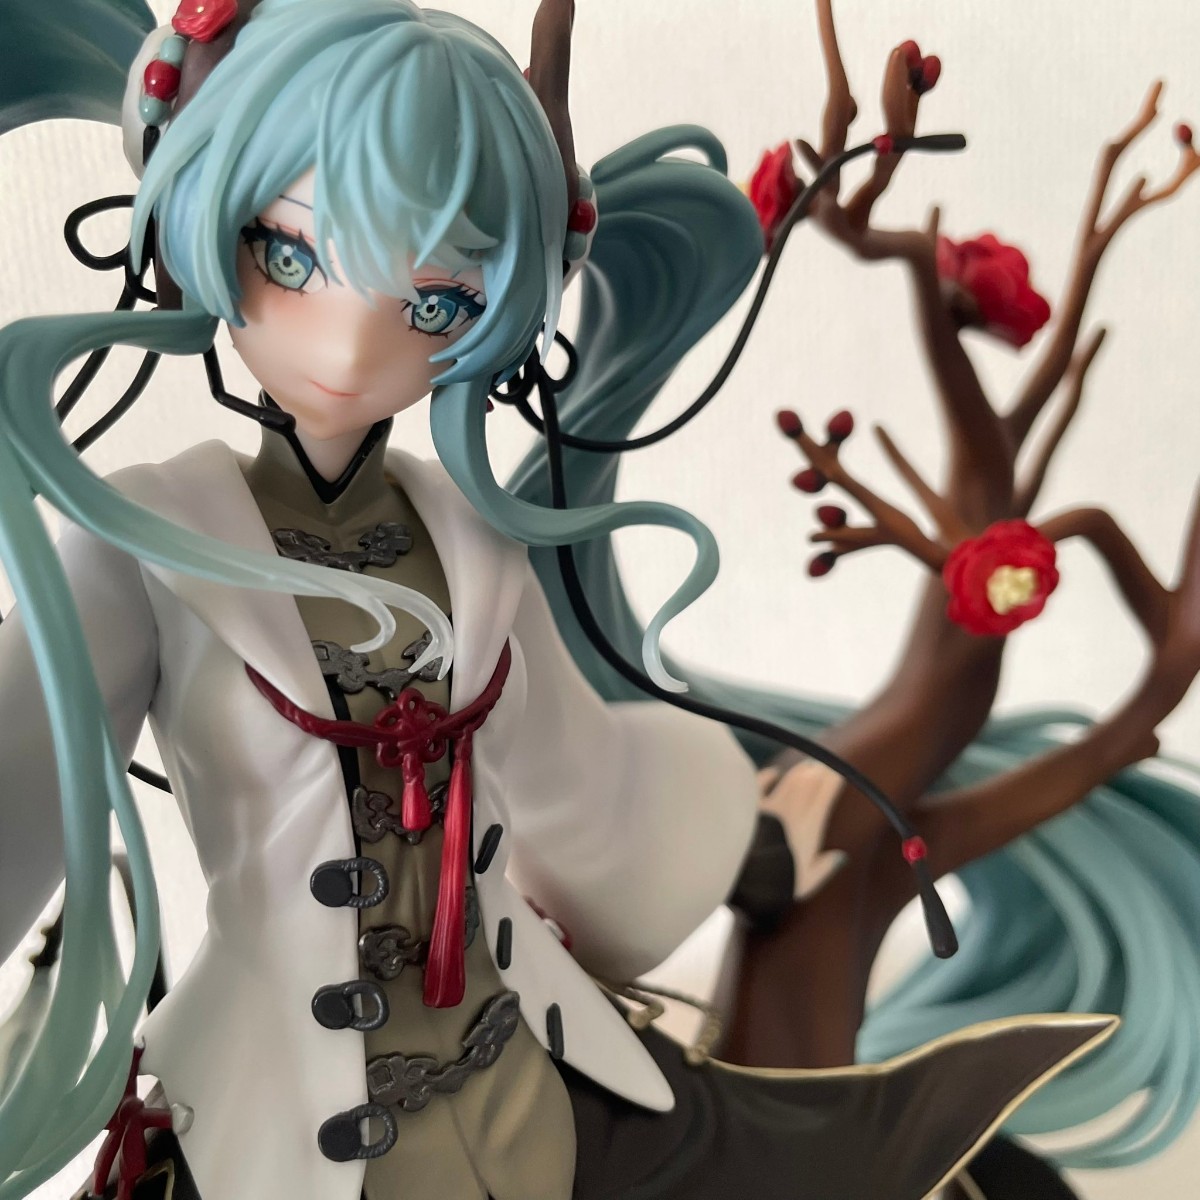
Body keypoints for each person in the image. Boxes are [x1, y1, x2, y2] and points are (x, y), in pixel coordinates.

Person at [0, 2, 1116, 1198]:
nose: (347, 346)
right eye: (290, 256)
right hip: (276, 1132)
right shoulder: (141, 543)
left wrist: (755, 845)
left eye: (435, 303)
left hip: (523, 1082)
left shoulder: (477, 539)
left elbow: (584, 788)